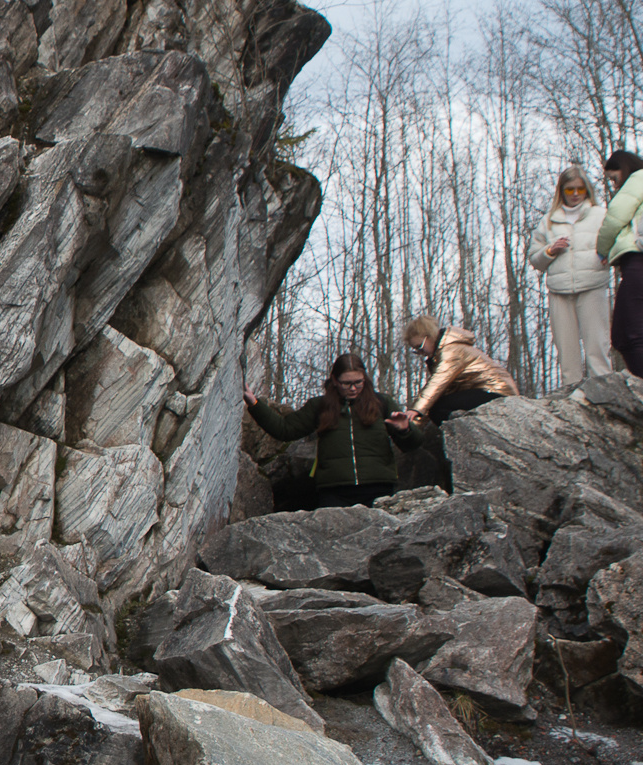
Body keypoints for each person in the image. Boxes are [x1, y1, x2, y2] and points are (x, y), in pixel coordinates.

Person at [244, 352, 420, 509]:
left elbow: (412, 444)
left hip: (378, 487)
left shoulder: (382, 403)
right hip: (334, 491)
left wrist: (405, 429)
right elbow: (285, 430)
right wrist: (255, 404)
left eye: (358, 382)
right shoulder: (319, 406)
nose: (353, 388)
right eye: (346, 383)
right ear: (335, 381)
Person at [528, 165, 615, 388]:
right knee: (566, 351)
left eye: (580, 189)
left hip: (593, 285)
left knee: (597, 346)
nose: (575, 194)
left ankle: (605, 396)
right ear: (561, 191)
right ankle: (571, 400)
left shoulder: (601, 215)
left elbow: (616, 243)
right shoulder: (548, 220)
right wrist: (550, 250)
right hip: (559, 289)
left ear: (587, 190)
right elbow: (535, 259)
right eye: (569, 190)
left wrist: (609, 254)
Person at [596, 148, 643, 387]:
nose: (613, 184)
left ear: (623, 167)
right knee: (622, 335)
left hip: (642, 262)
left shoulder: (642, 177)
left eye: (613, 177)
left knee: (636, 334)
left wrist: (602, 248)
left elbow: (616, 215)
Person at [391, 314, 519, 429]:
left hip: (495, 390)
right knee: (438, 407)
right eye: (415, 350)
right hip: (483, 390)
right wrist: (413, 423)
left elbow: (437, 383)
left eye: (420, 347)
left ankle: (464, 437)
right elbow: (443, 392)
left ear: (429, 336)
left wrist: (416, 409)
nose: (420, 353)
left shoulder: (451, 351)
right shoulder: (439, 356)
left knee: (439, 408)